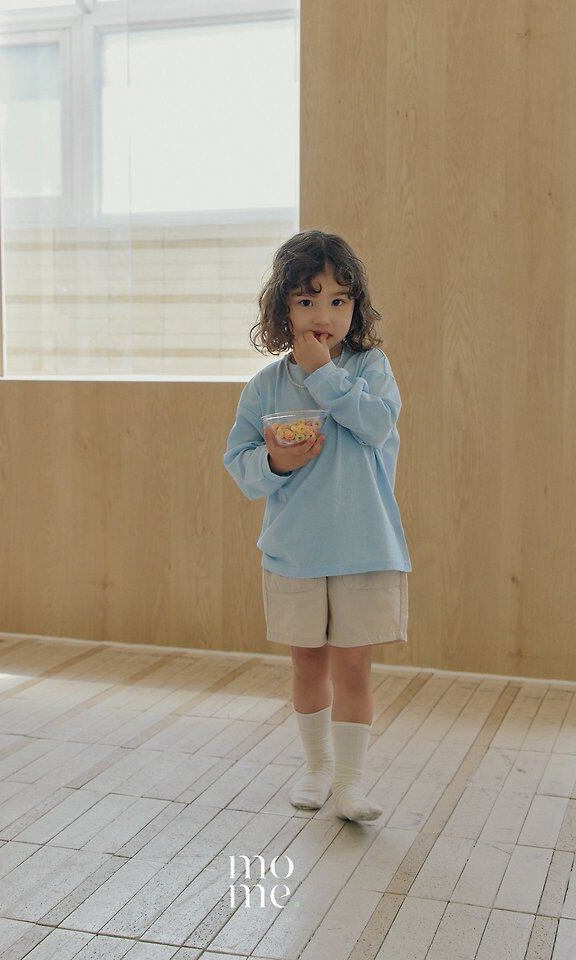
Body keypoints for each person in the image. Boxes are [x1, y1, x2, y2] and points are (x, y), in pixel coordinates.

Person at [223, 229, 412, 822]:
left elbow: (376, 425)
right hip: (295, 551)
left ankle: (351, 784)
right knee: (307, 662)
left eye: (337, 300)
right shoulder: (265, 386)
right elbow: (241, 465)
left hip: (365, 547)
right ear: (282, 309)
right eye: (306, 300)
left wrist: (324, 373)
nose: (322, 314)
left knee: (353, 665)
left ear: (356, 307)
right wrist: (277, 461)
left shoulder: (372, 368)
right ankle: (317, 768)